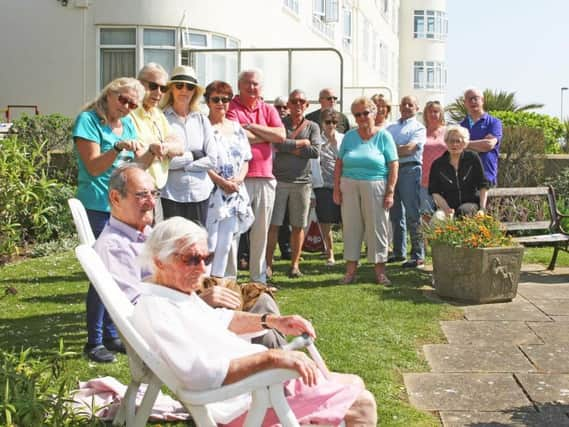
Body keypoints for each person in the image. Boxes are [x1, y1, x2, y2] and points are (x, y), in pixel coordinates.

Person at [133, 217, 377, 426]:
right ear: (158, 261)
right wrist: (271, 358)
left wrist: (273, 321)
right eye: (191, 260)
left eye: (205, 259)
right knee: (362, 405)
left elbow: (222, 319)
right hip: (242, 400)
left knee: (355, 384)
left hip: (254, 388)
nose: (202, 269)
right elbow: (198, 374)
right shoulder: (158, 308)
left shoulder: (177, 295)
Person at [96, 164, 286, 350]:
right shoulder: (115, 247)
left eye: (154, 194)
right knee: (266, 332)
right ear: (116, 198)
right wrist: (202, 301)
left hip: (187, 310)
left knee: (261, 299)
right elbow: (137, 313)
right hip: (180, 331)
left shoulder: (142, 232)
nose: (152, 203)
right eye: (142, 195)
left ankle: (286, 365)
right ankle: (283, 368)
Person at [72, 76, 148, 363]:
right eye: (123, 100)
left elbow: (132, 165)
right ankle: (93, 341)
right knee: (101, 272)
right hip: (95, 203)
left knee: (120, 270)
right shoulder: (88, 120)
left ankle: (111, 334)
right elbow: (92, 167)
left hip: (120, 206)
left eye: (133, 104)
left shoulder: (126, 123)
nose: (127, 107)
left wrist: (144, 153)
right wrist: (117, 148)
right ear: (109, 95)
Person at [226, 69, 286, 283]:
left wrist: (251, 126)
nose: (252, 88)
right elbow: (234, 135)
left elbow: (280, 135)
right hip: (237, 179)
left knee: (261, 232)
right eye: (248, 84)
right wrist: (266, 134)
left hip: (265, 178)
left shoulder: (268, 108)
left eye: (256, 84)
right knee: (232, 231)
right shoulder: (231, 107)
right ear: (239, 85)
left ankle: (258, 279)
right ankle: (229, 279)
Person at [333, 97, 398, 285]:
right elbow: (339, 163)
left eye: (365, 113)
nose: (362, 117)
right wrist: (336, 189)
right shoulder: (349, 136)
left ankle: (380, 273)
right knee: (351, 228)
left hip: (376, 183)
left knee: (377, 228)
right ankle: (350, 272)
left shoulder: (384, 136)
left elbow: (393, 164)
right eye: (357, 114)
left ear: (374, 112)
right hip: (349, 184)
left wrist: (390, 191)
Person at [265, 89, 321, 278]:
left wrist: (290, 147)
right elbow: (277, 144)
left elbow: (315, 151)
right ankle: (268, 265)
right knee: (274, 225)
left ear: (307, 105)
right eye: (294, 101)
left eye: (301, 101)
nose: (298, 105)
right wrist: (301, 143)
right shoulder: (280, 123)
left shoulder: (313, 126)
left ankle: (295, 264)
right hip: (279, 180)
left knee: (298, 225)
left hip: (302, 183)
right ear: (288, 105)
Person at [204, 80, 254, 278]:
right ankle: (203, 287)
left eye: (225, 99)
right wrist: (221, 182)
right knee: (209, 244)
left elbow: (246, 159)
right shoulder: (203, 125)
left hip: (234, 193)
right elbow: (201, 160)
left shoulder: (237, 128)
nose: (220, 103)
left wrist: (238, 180)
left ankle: (218, 284)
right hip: (211, 192)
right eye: (215, 99)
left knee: (225, 245)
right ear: (207, 101)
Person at [160, 65, 217, 226]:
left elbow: (212, 159)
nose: (184, 90)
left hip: (200, 193)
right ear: (171, 88)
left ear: (195, 91)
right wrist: (193, 155)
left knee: (196, 244)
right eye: (179, 85)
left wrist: (182, 164)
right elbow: (163, 163)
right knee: (174, 244)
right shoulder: (161, 119)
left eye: (190, 87)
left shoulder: (202, 120)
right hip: (171, 194)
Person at [130, 63, 183, 196]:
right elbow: (137, 158)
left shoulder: (157, 114)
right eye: (153, 86)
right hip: (136, 191)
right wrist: (163, 152)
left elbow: (180, 147)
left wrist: (161, 149)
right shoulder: (129, 114)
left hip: (155, 190)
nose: (158, 93)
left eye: (163, 88)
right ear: (138, 84)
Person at [386, 96, 426, 268]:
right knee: (395, 215)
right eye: (404, 104)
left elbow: (410, 149)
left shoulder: (419, 128)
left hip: (410, 170)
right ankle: (398, 252)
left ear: (417, 108)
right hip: (392, 171)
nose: (407, 107)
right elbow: (384, 149)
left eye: (411, 104)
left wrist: (393, 150)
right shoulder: (391, 127)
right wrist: (398, 150)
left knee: (412, 213)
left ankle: (418, 255)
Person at [429, 126, 489, 218]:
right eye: (451, 141)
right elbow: (434, 191)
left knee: (463, 211)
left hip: (470, 205)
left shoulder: (473, 158)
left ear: (464, 143)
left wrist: (482, 209)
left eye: (458, 141)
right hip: (447, 206)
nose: (454, 144)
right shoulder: (438, 164)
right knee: (438, 217)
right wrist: (447, 209)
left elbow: (483, 185)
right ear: (446, 142)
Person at [311, 108, 344, 266]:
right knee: (325, 221)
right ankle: (329, 252)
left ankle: (349, 252)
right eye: (328, 122)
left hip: (343, 184)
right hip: (323, 185)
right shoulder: (317, 141)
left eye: (334, 122)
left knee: (346, 220)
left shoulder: (344, 139)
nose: (331, 125)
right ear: (322, 123)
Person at [460, 88, 503, 186]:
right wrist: (480, 143)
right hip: (465, 178)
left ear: (482, 101)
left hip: (487, 176)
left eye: (475, 98)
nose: (473, 101)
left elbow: (488, 145)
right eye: (469, 99)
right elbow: (455, 146)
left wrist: (464, 143)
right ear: (465, 103)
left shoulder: (494, 123)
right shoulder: (460, 126)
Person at [420, 101, 447, 221]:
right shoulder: (420, 132)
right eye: (430, 111)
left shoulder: (448, 131)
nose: (433, 114)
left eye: (436, 111)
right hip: (424, 181)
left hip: (444, 180)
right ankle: (426, 240)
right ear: (425, 114)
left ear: (441, 113)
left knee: (445, 215)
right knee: (426, 215)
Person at [274, 95, 292, 260]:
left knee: (285, 218)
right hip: (269, 176)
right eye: (278, 107)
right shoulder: (269, 124)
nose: (282, 110)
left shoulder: (294, 126)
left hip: (287, 178)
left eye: (285, 107)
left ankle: (286, 249)